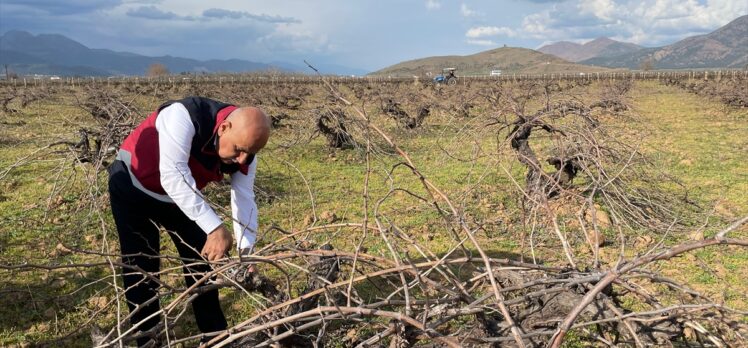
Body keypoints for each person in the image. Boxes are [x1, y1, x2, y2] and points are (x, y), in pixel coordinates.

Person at [107, 96, 270, 346]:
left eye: (249, 154)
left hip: (178, 200)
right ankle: (148, 340)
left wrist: (245, 253)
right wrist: (215, 227)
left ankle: (215, 338)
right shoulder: (183, 116)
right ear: (224, 128)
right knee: (142, 269)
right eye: (238, 150)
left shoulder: (246, 151)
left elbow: (244, 198)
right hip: (133, 187)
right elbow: (173, 176)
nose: (241, 160)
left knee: (202, 263)